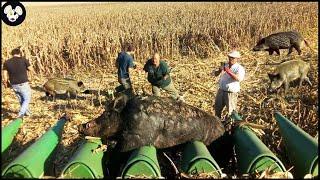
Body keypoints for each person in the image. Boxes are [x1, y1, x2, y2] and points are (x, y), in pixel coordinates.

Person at [212, 50, 245, 119]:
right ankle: (218, 124)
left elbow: (238, 79)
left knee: (231, 112)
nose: (231, 59)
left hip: (231, 93)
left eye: (233, 58)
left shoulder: (239, 68)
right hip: (221, 91)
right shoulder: (225, 65)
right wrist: (219, 70)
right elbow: (215, 74)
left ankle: (232, 127)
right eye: (230, 57)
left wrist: (228, 71)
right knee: (217, 109)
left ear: (237, 59)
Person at [2, 47, 34, 118]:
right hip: (23, 83)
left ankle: (28, 113)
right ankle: (21, 114)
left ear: (12, 54)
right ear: (19, 53)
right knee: (26, 99)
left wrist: (6, 82)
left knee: (21, 99)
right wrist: (31, 78)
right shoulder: (23, 60)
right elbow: (31, 69)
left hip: (14, 84)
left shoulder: (6, 62)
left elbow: (4, 74)